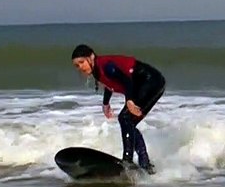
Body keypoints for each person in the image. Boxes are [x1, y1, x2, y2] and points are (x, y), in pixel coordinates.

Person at [71, 44, 165, 174]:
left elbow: (127, 81)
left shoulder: (106, 66)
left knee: (125, 118)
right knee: (128, 122)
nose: (80, 67)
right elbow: (109, 84)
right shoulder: (98, 71)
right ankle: (145, 165)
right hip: (148, 83)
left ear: (91, 57)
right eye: (77, 65)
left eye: (82, 62)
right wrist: (106, 104)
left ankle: (127, 160)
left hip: (151, 81)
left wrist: (129, 100)